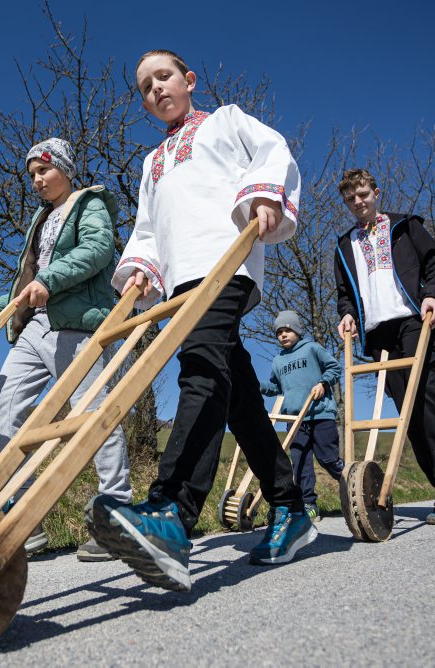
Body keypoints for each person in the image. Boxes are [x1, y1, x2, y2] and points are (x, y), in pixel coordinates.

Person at [85, 49, 314, 592]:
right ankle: (290, 505)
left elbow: (273, 150)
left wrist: (263, 197)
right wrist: (140, 269)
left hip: (227, 259)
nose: (155, 89)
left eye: (163, 77)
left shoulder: (227, 122)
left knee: (200, 368)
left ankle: (172, 513)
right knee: (235, 392)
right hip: (181, 277)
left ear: (188, 80)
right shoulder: (151, 163)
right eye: (144, 87)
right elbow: (147, 226)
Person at [0, 137, 133, 561]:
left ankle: (115, 510)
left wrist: (51, 281)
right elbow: (29, 273)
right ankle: (26, 516)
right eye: (31, 174)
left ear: (64, 168)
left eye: (43, 170)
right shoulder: (40, 219)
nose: (37, 180)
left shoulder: (89, 204)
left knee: (92, 412)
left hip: (78, 323)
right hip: (36, 325)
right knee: (6, 403)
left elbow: (99, 251)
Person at [333, 168, 435, 529]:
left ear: (376, 192)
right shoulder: (344, 244)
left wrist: (433, 296)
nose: (358, 202)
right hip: (378, 333)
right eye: (351, 199)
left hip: (414, 320)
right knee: (405, 415)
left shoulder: (404, 226)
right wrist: (347, 315)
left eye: (363, 194)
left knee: (427, 399)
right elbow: (344, 294)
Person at [261, 310, 344, 522]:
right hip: (295, 420)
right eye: (279, 331)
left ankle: (351, 483)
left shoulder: (312, 349)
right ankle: (309, 504)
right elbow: (275, 386)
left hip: (320, 414)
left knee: (328, 458)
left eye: (287, 329)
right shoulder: (278, 361)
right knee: (300, 464)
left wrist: (323, 383)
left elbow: (334, 367)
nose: (283, 334)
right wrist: (257, 386)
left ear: (297, 330)